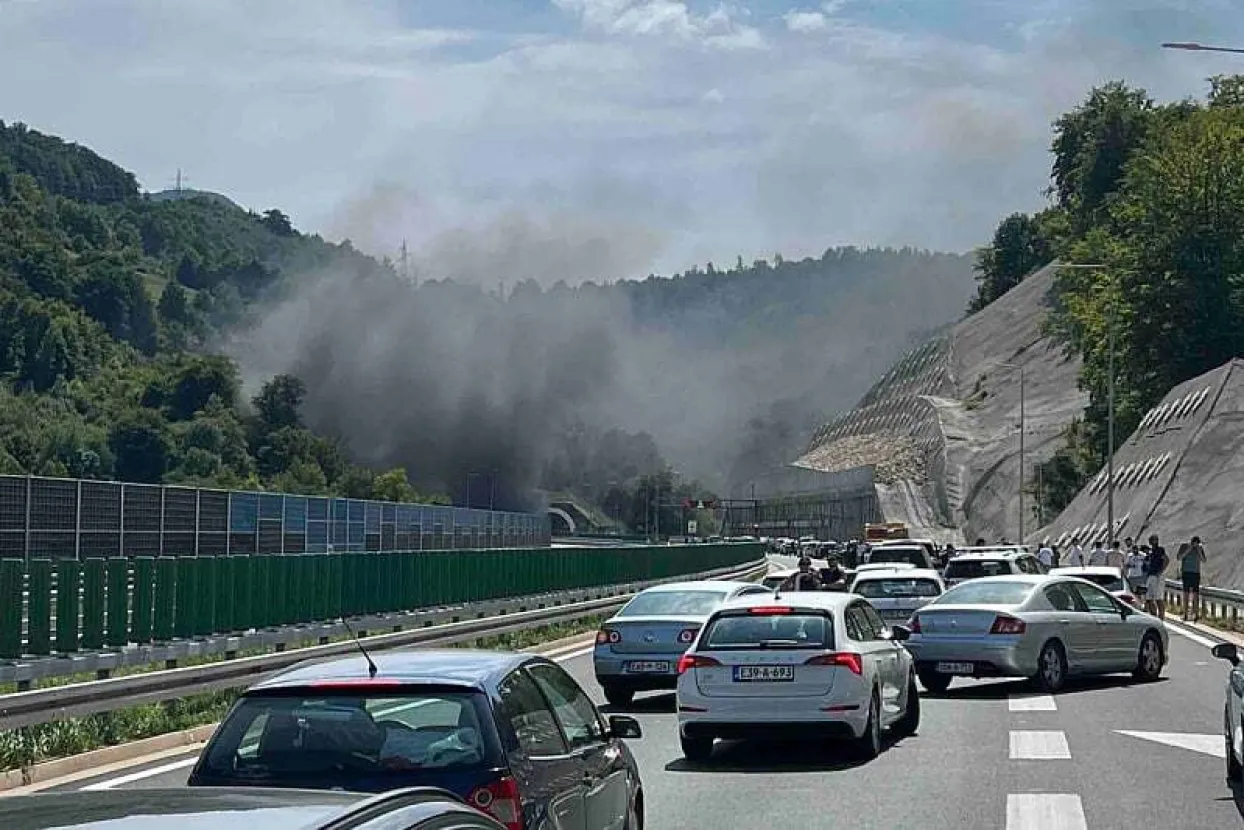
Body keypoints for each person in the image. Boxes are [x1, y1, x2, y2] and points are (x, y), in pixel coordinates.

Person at [1179, 535, 1207, 622]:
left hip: (1196, 573)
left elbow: (1203, 560)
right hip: (1186, 572)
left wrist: (1198, 550)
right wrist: (1189, 549)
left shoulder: (1200, 548)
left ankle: (1195, 614)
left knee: (1195, 594)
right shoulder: (1184, 546)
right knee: (1186, 594)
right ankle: (1186, 613)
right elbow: (1179, 557)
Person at [1144, 534, 1168, 620]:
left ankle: (1161, 618)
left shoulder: (1160, 550)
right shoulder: (1151, 552)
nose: (1153, 542)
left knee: (1158, 598)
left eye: (1154, 540)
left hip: (1157, 576)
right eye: (1151, 540)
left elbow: (1166, 560)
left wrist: (1161, 571)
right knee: (1149, 598)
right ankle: (1154, 617)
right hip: (1150, 575)